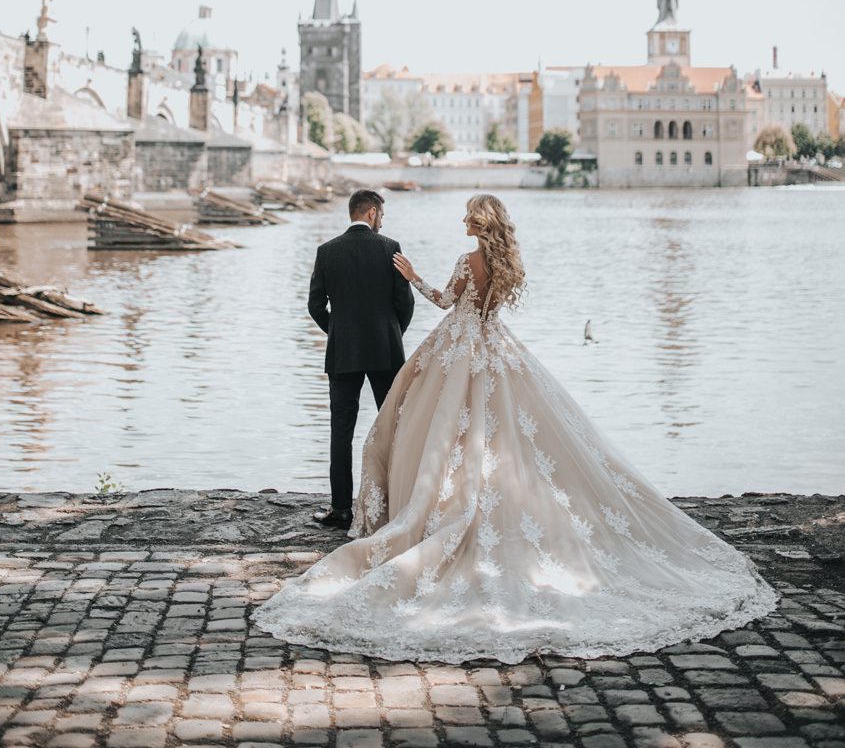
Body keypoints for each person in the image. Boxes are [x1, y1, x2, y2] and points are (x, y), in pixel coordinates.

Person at [256, 193, 777, 663]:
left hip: (437, 350)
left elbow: (440, 300)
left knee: (422, 429)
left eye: (467, 215)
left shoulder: (456, 259)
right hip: (491, 348)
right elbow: (456, 307)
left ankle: (384, 504)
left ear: (479, 222)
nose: (461, 219)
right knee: (500, 432)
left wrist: (412, 277)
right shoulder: (504, 264)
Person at [306, 188, 414, 531]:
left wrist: (338, 333)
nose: (382, 221)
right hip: (386, 352)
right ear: (371, 213)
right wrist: (392, 334)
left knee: (341, 432)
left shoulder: (327, 252)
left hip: (343, 353)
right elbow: (405, 303)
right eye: (381, 214)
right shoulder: (389, 248)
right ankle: (398, 506)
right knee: (395, 429)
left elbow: (315, 306)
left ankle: (340, 510)